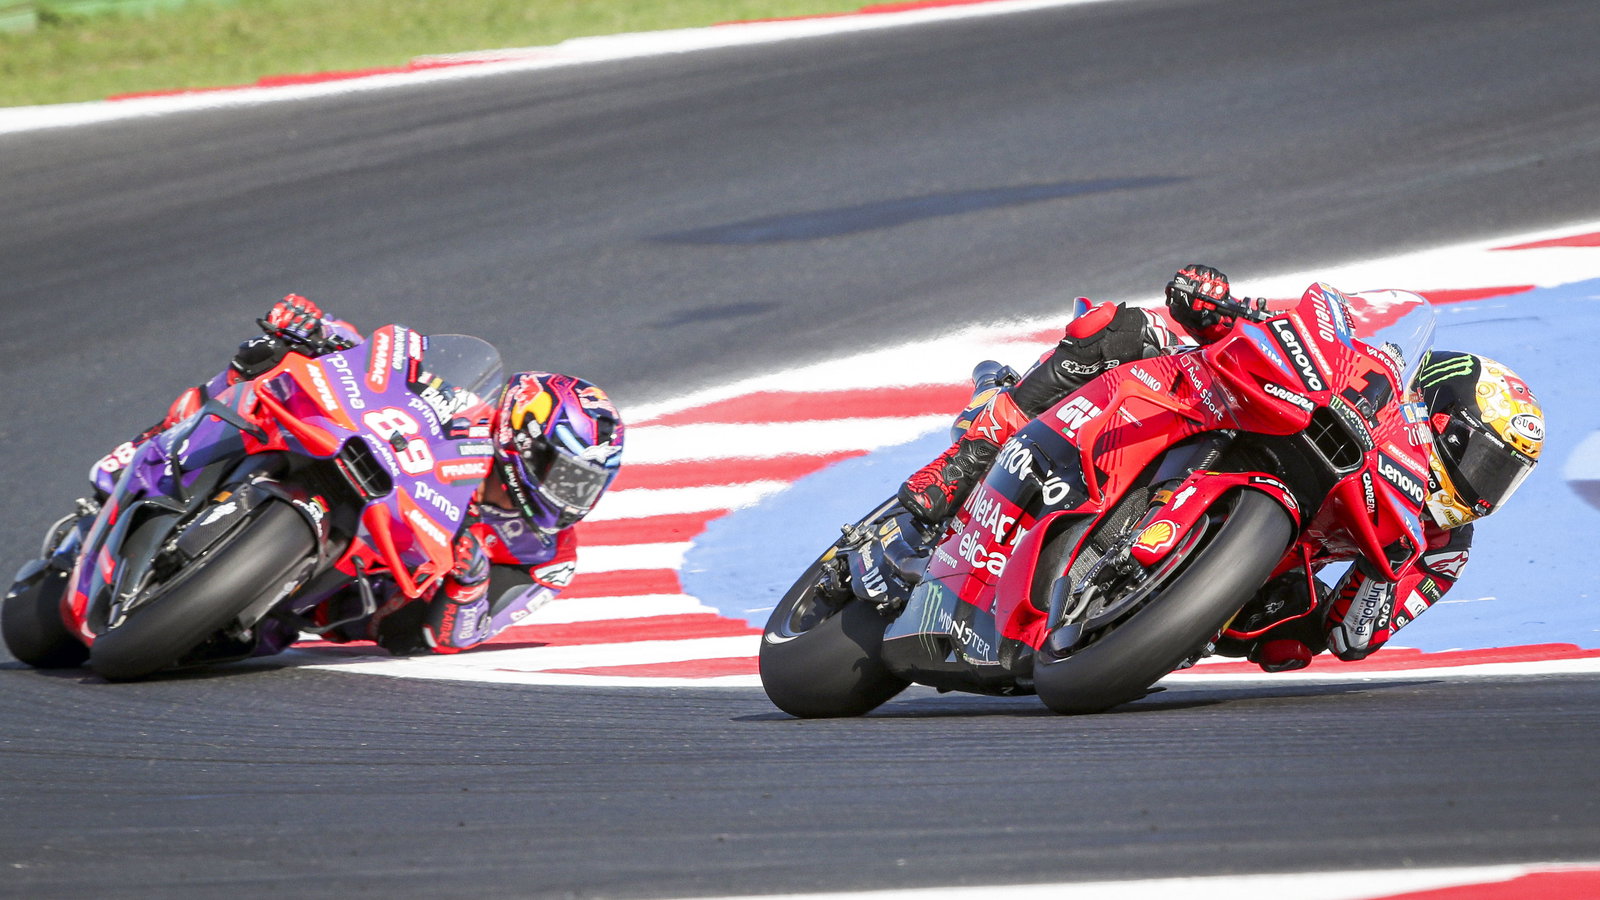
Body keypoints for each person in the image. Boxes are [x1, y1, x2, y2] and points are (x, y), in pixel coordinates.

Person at [898, 265, 1544, 672]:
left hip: (1249, 592)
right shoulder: (1369, 376)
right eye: (1485, 460)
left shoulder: (1442, 548)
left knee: (1283, 643)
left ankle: (1137, 610)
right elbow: (1291, 331)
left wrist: (1379, 578)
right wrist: (1218, 305)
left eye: (1502, 476)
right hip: (1214, 413)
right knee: (1123, 330)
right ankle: (965, 461)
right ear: (1438, 414)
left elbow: (1353, 638)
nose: (1485, 486)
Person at [81, 295, 625, 657]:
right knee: (263, 365)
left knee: (248, 645)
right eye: (565, 476)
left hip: (365, 594)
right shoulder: (468, 411)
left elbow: (457, 636)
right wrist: (319, 334)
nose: (569, 499)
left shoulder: (548, 557)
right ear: (523, 440)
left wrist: (471, 580)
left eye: (585, 486)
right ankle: (152, 449)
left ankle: (238, 596)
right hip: (357, 466)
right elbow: (386, 367)